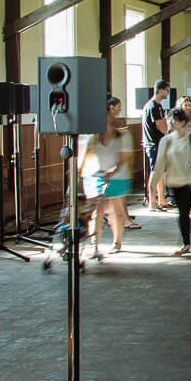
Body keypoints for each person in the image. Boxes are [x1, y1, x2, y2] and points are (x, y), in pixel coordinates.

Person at [149, 99, 191, 256]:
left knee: (183, 213)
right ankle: (186, 240)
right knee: (181, 213)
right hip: (174, 182)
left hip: (188, 182)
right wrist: (153, 184)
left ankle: (185, 242)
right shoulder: (166, 141)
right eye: (170, 121)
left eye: (174, 121)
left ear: (182, 122)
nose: (172, 124)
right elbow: (160, 163)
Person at [80, 95, 133, 259]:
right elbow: (82, 159)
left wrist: (112, 171)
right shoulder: (91, 137)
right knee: (96, 212)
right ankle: (94, 246)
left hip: (117, 176)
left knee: (115, 212)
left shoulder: (123, 136)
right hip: (95, 176)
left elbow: (123, 158)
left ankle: (117, 243)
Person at [141, 80, 171, 210]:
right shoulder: (152, 106)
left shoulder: (157, 106)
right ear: (160, 90)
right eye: (167, 90)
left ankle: (162, 200)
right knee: (155, 173)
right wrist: (168, 131)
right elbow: (160, 126)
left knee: (161, 173)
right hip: (154, 144)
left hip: (159, 143)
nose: (168, 93)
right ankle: (152, 202)